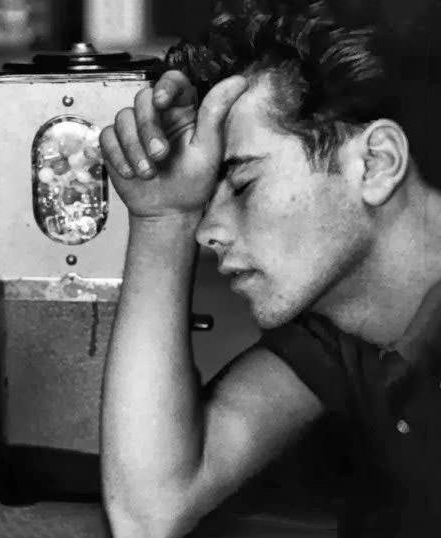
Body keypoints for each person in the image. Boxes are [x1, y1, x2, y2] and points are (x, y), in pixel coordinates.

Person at [98, 0, 441, 536]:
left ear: (376, 163)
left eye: (242, 184)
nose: (207, 232)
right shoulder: (343, 332)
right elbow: (149, 508)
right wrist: (162, 215)